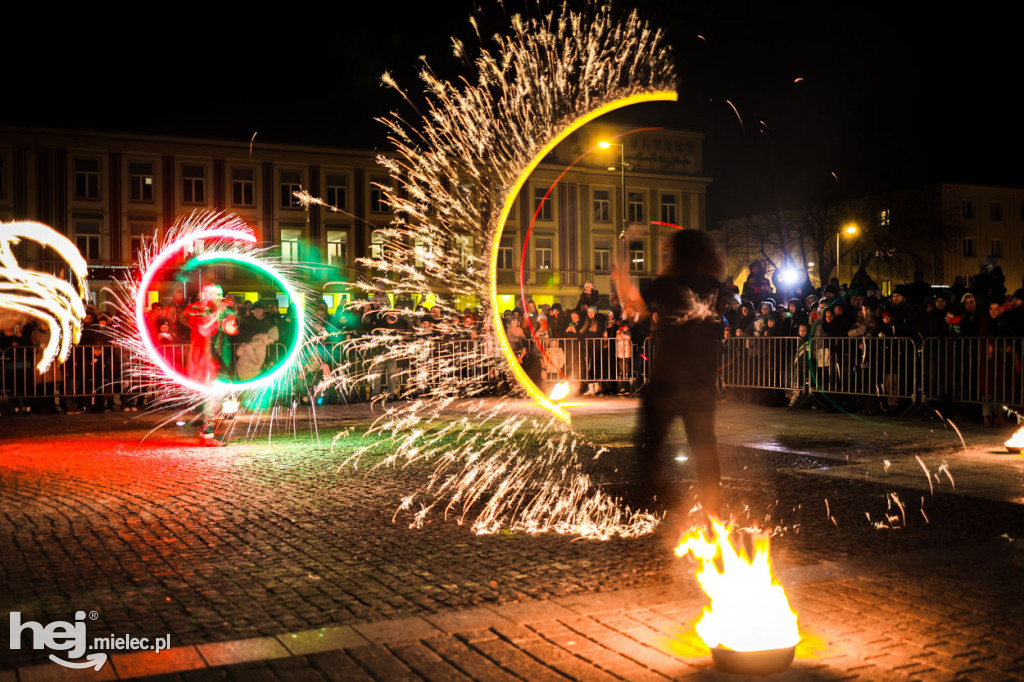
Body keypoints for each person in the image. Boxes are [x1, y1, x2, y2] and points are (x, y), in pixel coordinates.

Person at [613, 229, 725, 521]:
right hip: (702, 384)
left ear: (677, 255)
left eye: (666, 251)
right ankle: (714, 510)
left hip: (668, 382)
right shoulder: (714, 285)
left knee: (649, 446)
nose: (663, 255)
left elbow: (635, 308)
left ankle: (648, 506)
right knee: (704, 449)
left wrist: (620, 266)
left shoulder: (666, 283)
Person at [184, 284, 239, 446]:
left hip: (218, 359)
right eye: (216, 294)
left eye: (221, 294)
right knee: (211, 398)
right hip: (203, 360)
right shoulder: (195, 309)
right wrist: (219, 312)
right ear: (204, 295)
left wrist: (231, 321)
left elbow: (230, 330)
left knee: (217, 396)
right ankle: (207, 436)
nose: (220, 297)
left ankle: (206, 433)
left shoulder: (220, 310)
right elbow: (204, 329)